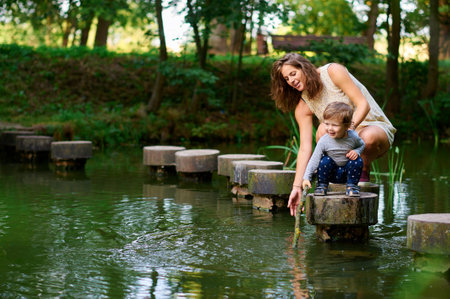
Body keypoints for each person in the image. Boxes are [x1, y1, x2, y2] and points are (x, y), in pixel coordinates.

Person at [271, 53, 396, 216]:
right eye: (286, 79)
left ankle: (363, 167)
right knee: (323, 130)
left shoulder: (332, 72)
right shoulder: (303, 106)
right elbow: (305, 148)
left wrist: (349, 131)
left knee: (367, 138)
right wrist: (297, 187)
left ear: (304, 67)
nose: (291, 81)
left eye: (293, 74)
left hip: (372, 127)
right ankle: (335, 174)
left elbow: (362, 104)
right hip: (342, 140)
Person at [302, 102, 365, 197]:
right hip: (330, 173)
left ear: (347, 126)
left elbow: (362, 145)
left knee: (357, 160)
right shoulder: (324, 141)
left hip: (347, 174)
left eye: (335, 125)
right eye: (327, 124)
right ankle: (322, 186)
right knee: (324, 160)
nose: (329, 128)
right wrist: (307, 177)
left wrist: (357, 151)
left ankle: (352, 187)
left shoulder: (353, 137)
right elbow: (314, 159)